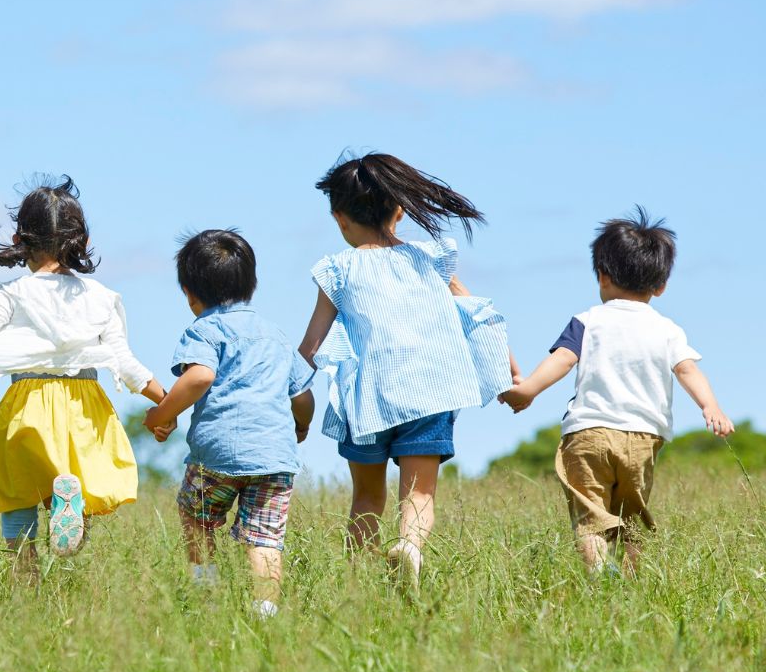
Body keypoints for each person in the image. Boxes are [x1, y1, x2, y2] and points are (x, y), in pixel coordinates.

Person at [0, 177, 166, 567]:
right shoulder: (101, 298)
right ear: (81, 240)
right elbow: (126, 364)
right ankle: (69, 504)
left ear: (19, 239)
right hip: (85, 410)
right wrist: (167, 404)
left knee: (17, 494)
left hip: (28, 406)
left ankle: (24, 581)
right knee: (76, 497)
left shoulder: (12, 294)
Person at [298, 152, 515, 592]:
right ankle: (410, 547)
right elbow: (475, 311)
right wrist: (509, 367)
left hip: (366, 399)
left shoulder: (338, 269)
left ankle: (359, 585)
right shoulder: (430, 257)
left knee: (366, 497)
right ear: (399, 210)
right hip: (429, 392)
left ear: (340, 218)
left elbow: (311, 347)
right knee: (418, 493)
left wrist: (292, 399)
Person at [500, 207, 733, 574]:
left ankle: (598, 580)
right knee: (632, 515)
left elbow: (563, 360)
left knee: (590, 515)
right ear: (660, 285)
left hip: (588, 432)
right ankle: (630, 581)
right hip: (643, 437)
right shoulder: (668, 329)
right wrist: (711, 406)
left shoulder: (587, 321)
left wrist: (527, 390)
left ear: (603, 276)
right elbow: (687, 369)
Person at [144, 230, 314, 618]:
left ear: (189, 293)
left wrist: (161, 414)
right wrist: (300, 426)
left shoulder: (204, 330)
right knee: (265, 538)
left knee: (196, 518)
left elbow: (200, 376)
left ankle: (205, 593)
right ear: (251, 284)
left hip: (216, 456)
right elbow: (302, 397)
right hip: (274, 457)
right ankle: (265, 611)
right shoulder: (275, 335)